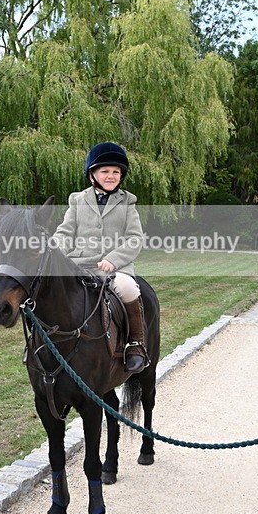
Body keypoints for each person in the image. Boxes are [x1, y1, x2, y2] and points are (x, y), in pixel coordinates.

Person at [51, 142, 148, 373]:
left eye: (116, 172)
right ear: (92, 174)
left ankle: (136, 344)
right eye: (105, 171)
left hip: (115, 267)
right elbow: (65, 233)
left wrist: (113, 259)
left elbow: (135, 238)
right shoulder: (77, 200)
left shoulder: (127, 202)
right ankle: (41, 344)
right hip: (80, 264)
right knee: (47, 288)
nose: (111, 176)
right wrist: (54, 252)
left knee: (128, 288)